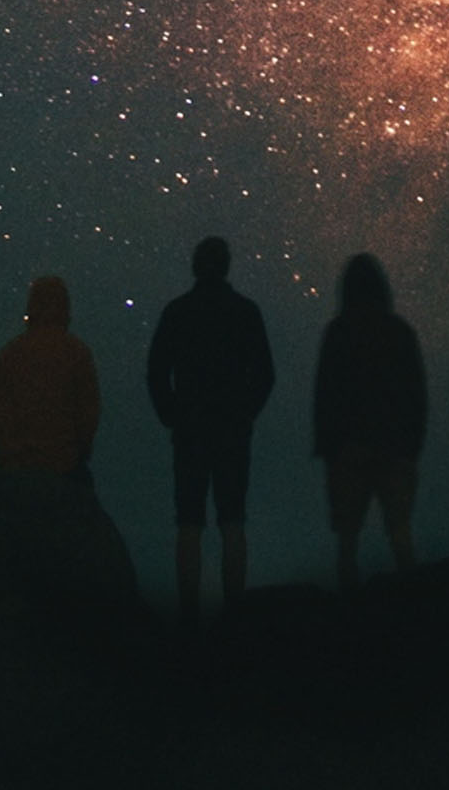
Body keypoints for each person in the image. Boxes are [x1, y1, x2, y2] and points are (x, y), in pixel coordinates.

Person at [146, 236, 275, 628]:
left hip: (190, 431)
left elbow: (156, 372)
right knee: (232, 519)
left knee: (189, 521)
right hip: (232, 432)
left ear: (195, 266)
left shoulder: (178, 312)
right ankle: (235, 613)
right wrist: (246, 413)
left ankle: (189, 615)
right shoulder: (246, 312)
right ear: (227, 266)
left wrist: (172, 415)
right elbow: (266, 374)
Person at [313, 252, 426, 590]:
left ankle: (348, 618)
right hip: (395, 449)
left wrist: (329, 448)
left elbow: (325, 395)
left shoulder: (338, 332)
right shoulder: (401, 332)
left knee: (347, 541)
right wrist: (411, 448)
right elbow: (416, 395)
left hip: (349, 451)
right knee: (400, 534)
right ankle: (413, 610)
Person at [0, 275, 100, 483]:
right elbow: (88, 415)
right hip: (64, 469)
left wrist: (13, 451)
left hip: (15, 470)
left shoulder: (11, 354)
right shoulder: (77, 353)